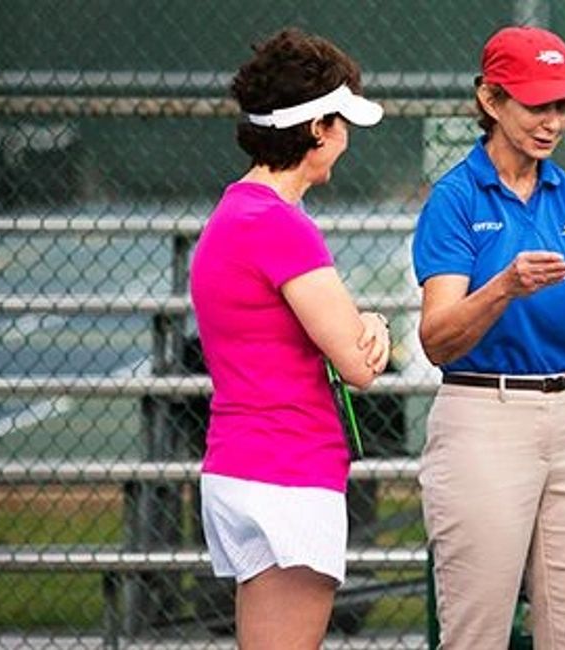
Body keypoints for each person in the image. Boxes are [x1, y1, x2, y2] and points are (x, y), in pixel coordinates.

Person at [412, 25, 565, 649]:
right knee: (477, 631)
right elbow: (437, 340)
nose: (552, 122)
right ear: (491, 101)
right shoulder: (455, 199)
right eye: (536, 104)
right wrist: (502, 288)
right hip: (483, 414)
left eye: (562, 106)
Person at [189, 28, 392, 650]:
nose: (346, 139)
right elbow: (359, 362)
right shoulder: (279, 227)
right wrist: (378, 327)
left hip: (246, 465)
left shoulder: (236, 214)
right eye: (341, 123)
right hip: (287, 474)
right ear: (315, 130)